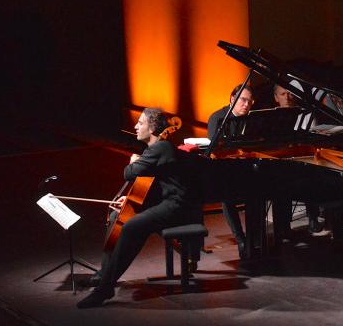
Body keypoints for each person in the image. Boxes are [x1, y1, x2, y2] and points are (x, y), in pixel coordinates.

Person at [77, 107, 203, 309]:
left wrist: (132, 161)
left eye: (141, 123)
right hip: (165, 203)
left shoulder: (161, 148)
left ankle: (104, 289)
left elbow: (129, 173)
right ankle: (104, 275)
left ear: (152, 128)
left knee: (131, 227)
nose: (136, 126)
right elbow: (157, 186)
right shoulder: (154, 150)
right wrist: (129, 198)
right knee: (117, 214)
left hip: (177, 207)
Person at [205, 84, 254, 257]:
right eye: (243, 100)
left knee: (260, 190)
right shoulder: (218, 118)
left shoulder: (252, 120)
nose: (246, 104)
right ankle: (240, 238)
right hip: (223, 168)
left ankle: (256, 236)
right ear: (232, 99)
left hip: (247, 166)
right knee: (227, 195)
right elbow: (214, 150)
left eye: (250, 101)